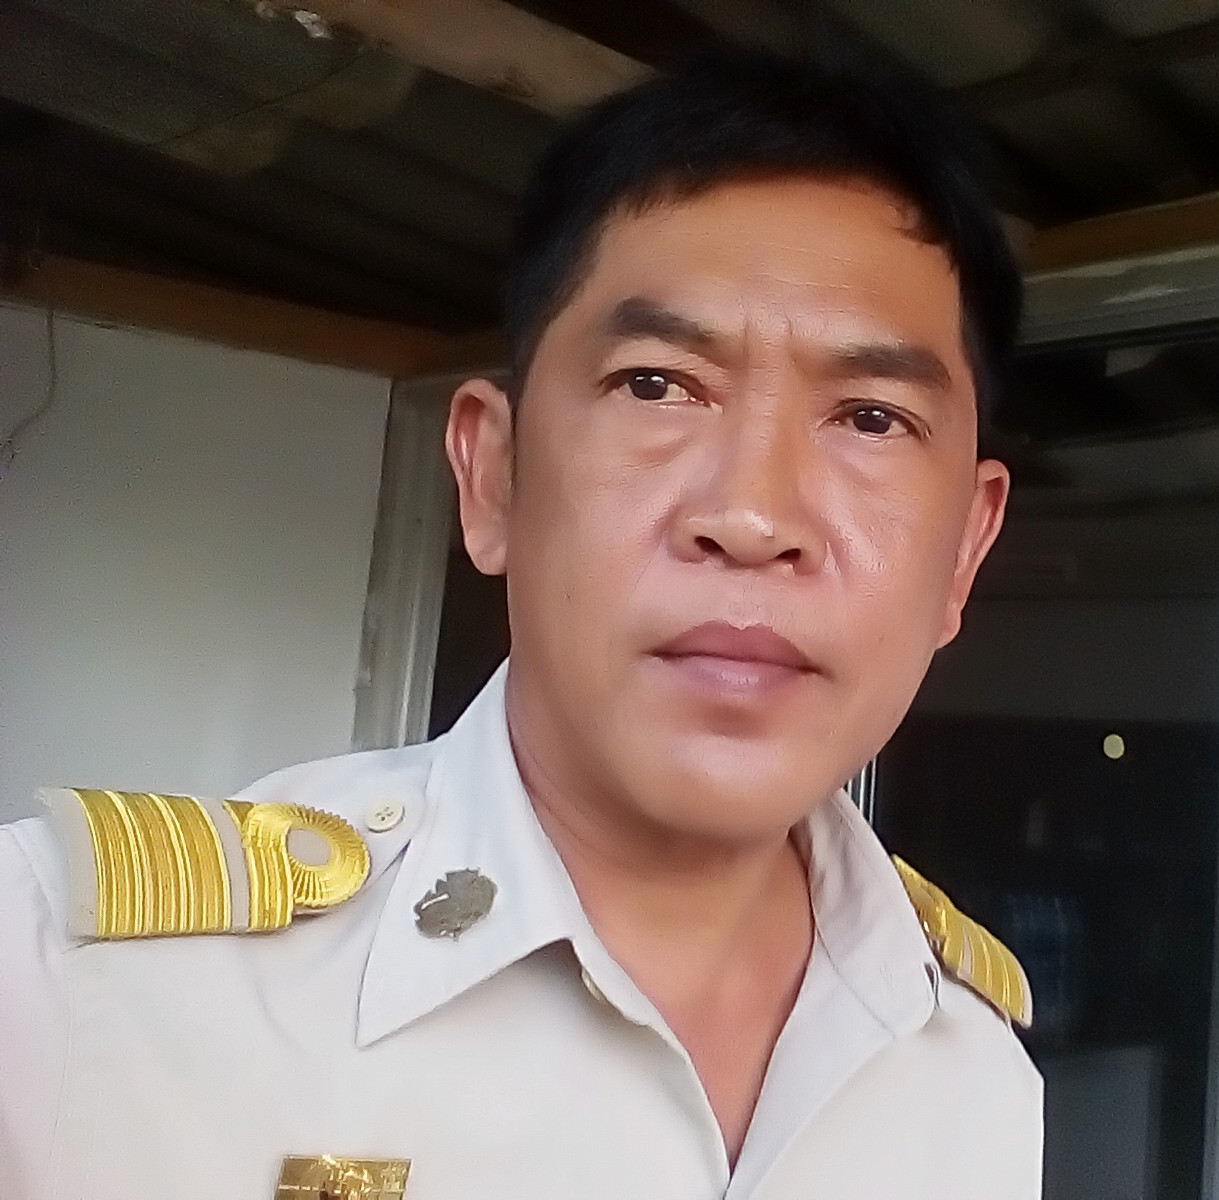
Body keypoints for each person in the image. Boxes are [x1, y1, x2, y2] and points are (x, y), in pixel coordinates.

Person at [0, 49, 1041, 1200]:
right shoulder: (65, 987)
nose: (752, 519)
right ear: (491, 476)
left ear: (964, 551)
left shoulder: (975, 1071)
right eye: (656, 384)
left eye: (871, 417)